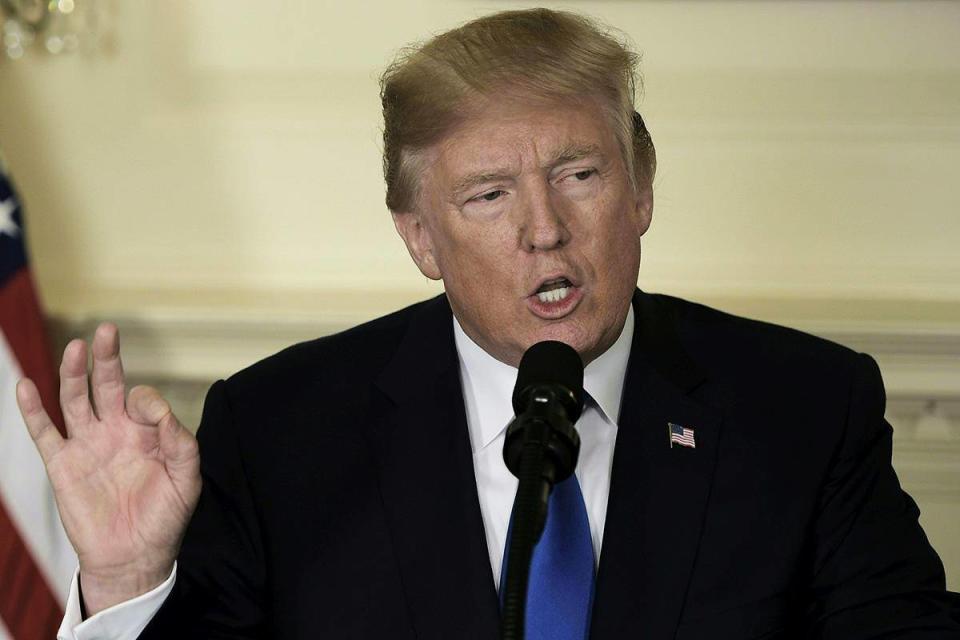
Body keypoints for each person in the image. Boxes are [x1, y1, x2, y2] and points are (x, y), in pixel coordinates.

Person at [17, 8, 960, 639]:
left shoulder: (802, 408)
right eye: (488, 194)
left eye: (580, 175)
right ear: (420, 237)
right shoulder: (280, 432)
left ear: (642, 190)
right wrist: (128, 581)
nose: (544, 229)